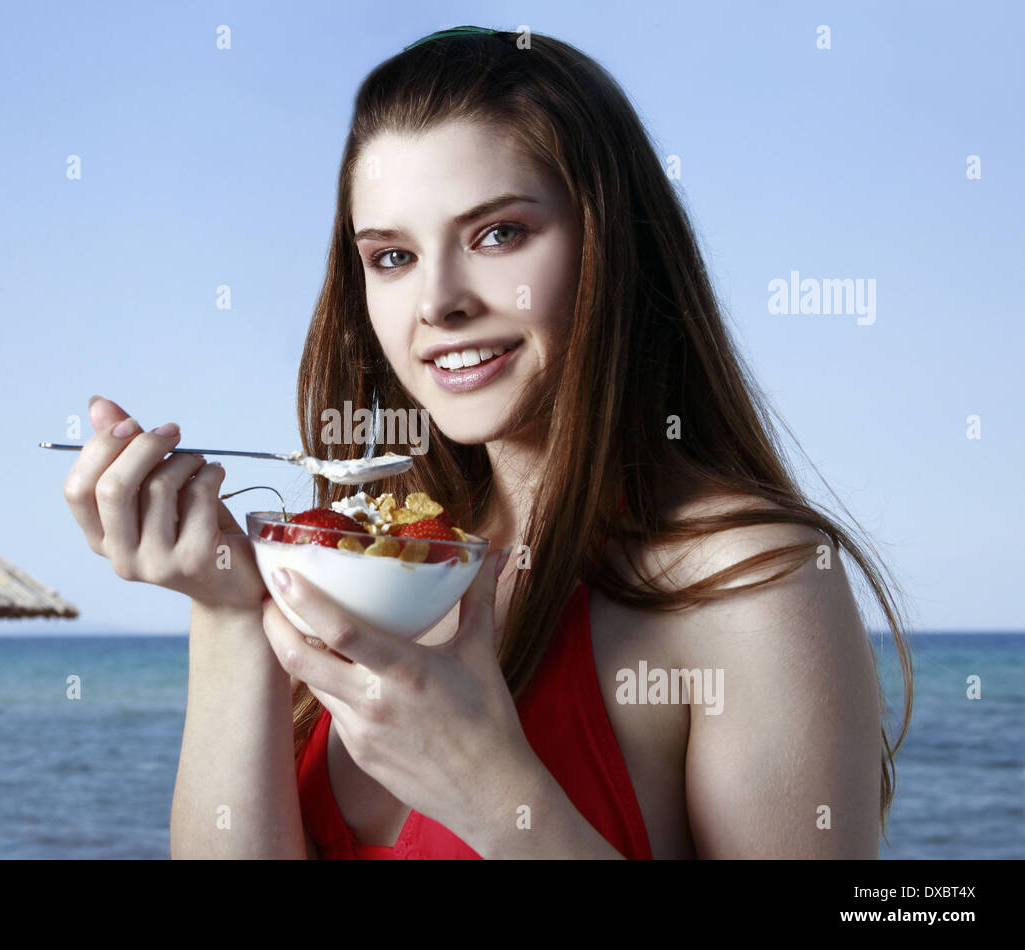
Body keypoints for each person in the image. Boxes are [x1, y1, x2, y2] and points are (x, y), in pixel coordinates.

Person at [63, 26, 914, 859]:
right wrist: (225, 608)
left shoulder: (754, 589)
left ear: (609, 242)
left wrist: (491, 793)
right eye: (391, 256)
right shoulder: (374, 564)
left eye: (498, 234)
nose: (438, 301)